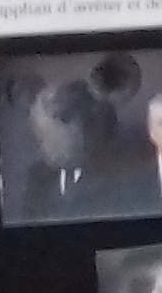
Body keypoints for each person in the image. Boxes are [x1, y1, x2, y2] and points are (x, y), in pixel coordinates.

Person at [12, 71, 144, 223]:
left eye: (47, 135)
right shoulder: (38, 176)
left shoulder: (120, 174)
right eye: (40, 135)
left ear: (83, 126)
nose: (42, 143)